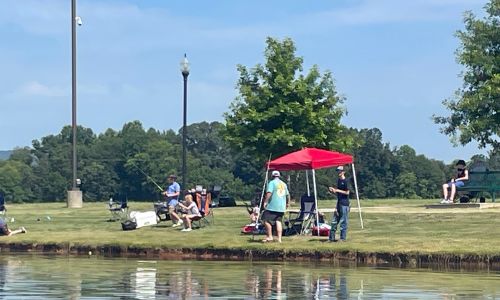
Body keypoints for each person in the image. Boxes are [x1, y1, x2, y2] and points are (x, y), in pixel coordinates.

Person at [261, 170, 290, 243]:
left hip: (273, 206)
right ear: (279, 176)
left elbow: (269, 193)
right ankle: (279, 239)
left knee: (265, 220)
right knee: (278, 221)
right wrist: (287, 203)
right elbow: (288, 195)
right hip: (281, 207)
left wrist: (265, 201)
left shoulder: (272, 183)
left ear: (272, 176)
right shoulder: (284, 184)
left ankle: (270, 236)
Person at [328, 166, 350, 242]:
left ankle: (342, 238)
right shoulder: (338, 181)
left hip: (345, 204)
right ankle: (331, 238)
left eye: (340, 171)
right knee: (334, 221)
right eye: (338, 171)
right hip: (339, 203)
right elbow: (338, 194)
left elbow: (347, 192)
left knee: (343, 221)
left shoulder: (346, 181)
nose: (339, 172)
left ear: (343, 172)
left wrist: (337, 190)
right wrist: (333, 191)